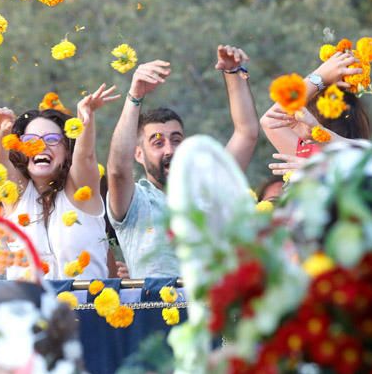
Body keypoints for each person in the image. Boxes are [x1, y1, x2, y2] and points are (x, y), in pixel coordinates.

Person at [106, 45, 259, 278]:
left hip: (209, 311)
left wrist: (233, 73)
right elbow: (117, 170)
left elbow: (246, 133)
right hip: (156, 312)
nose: (170, 150)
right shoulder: (134, 200)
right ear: (138, 154)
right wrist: (135, 96)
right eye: (157, 143)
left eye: (176, 140)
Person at [0, 84, 120, 280]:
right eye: (31, 139)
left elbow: (85, 157)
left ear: (67, 149)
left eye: (51, 139)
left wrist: (86, 117)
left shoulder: (80, 191)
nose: (41, 146)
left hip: (85, 307)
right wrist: (1, 130)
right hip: (28, 308)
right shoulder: (17, 196)